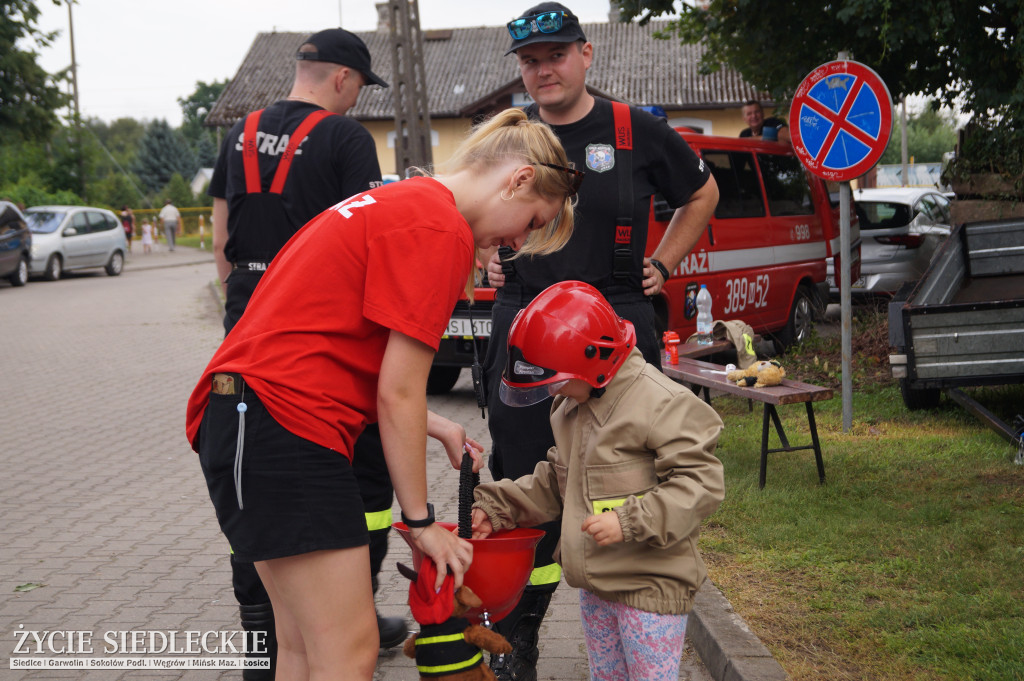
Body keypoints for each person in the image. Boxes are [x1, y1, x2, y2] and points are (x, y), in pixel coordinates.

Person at [185, 107, 580, 681]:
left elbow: (341, 350)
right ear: (518, 180)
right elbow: (398, 391)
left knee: (299, 648)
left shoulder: (402, 202)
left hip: (245, 420)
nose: (517, 242)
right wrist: (420, 522)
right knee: (349, 651)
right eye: (532, 221)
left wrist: (436, 424)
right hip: (283, 427)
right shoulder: (441, 228)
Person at [481, 5, 719, 679]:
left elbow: (703, 195)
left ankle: (633, 614)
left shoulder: (634, 130)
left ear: (586, 55)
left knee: (622, 474)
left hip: (613, 327)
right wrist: (487, 258)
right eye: (530, 61)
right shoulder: (507, 138)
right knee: (533, 480)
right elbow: (469, 212)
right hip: (527, 324)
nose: (543, 70)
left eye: (556, 55)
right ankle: (519, 633)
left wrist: (664, 263)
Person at [207, 27, 401, 671]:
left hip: (246, 320)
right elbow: (366, 243)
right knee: (360, 476)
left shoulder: (237, 133)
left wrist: (241, 303)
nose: (353, 103)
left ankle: (263, 636)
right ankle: (348, 614)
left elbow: (220, 235)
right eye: (356, 90)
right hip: (317, 332)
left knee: (251, 475)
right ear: (342, 79)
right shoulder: (347, 139)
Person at [471, 280, 724, 681]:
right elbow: (556, 482)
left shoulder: (660, 403)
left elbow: (701, 481)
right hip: (597, 586)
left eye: (556, 379)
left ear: (592, 359)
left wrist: (629, 521)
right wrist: (497, 506)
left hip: (649, 589)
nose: (552, 390)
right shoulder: (571, 407)